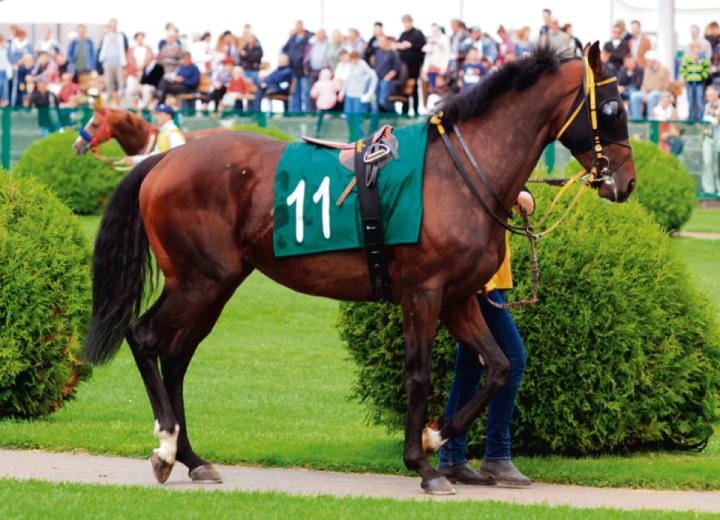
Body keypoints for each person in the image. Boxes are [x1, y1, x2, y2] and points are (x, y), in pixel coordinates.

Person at [438, 189, 535, 487]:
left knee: (469, 370)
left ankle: (451, 458)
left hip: (495, 277)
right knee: (513, 359)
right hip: (481, 281)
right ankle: (496, 455)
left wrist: (519, 193)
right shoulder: (470, 172)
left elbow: (528, 205)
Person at [397, 14, 426, 115]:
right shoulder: (403, 34)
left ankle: (415, 109)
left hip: (414, 65)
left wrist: (411, 45)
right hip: (404, 66)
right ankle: (404, 110)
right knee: (405, 88)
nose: (405, 24)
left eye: (406, 22)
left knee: (413, 87)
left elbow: (423, 47)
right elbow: (399, 45)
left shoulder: (418, 33)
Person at [629, 50, 670, 119]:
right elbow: (644, 85)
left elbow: (666, 85)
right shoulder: (647, 70)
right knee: (634, 96)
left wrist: (650, 92)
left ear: (654, 60)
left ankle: (650, 119)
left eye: (648, 60)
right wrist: (644, 93)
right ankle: (637, 119)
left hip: (661, 92)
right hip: (648, 93)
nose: (646, 62)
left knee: (652, 96)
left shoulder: (664, 69)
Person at [282, 20, 313, 112]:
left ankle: (307, 112)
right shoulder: (292, 38)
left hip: (304, 70)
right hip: (294, 70)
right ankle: (296, 112)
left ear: (302, 26)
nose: (297, 28)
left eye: (299, 26)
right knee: (295, 92)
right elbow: (284, 49)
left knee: (305, 92)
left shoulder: (309, 37)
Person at [98, 19, 128, 106]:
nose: (113, 27)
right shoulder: (106, 36)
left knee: (121, 84)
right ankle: (108, 104)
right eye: (111, 25)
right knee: (108, 84)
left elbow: (123, 49)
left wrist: (124, 64)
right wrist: (102, 60)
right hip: (108, 63)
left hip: (119, 63)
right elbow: (103, 49)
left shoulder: (121, 36)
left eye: (115, 25)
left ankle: (121, 104)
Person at [680, 42, 710, 121]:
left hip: (699, 83)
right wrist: (686, 76)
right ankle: (691, 118)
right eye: (694, 48)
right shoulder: (687, 60)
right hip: (690, 83)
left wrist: (702, 76)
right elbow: (682, 69)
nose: (696, 50)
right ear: (691, 50)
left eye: (697, 48)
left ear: (700, 50)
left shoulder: (703, 60)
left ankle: (700, 118)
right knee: (690, 101)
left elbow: (706, 69)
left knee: (700, 100)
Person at [373, 35, 402, 113]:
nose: (379, 43)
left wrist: (387, 77)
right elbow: (375, 66)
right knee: (375, 102)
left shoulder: (393, 53)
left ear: (386, 42)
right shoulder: (378, 52)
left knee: (383, 101)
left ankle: (394, 114)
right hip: (377, 79)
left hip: (387, 80)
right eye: (379, 42)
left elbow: (396, 69)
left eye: (381, 41)